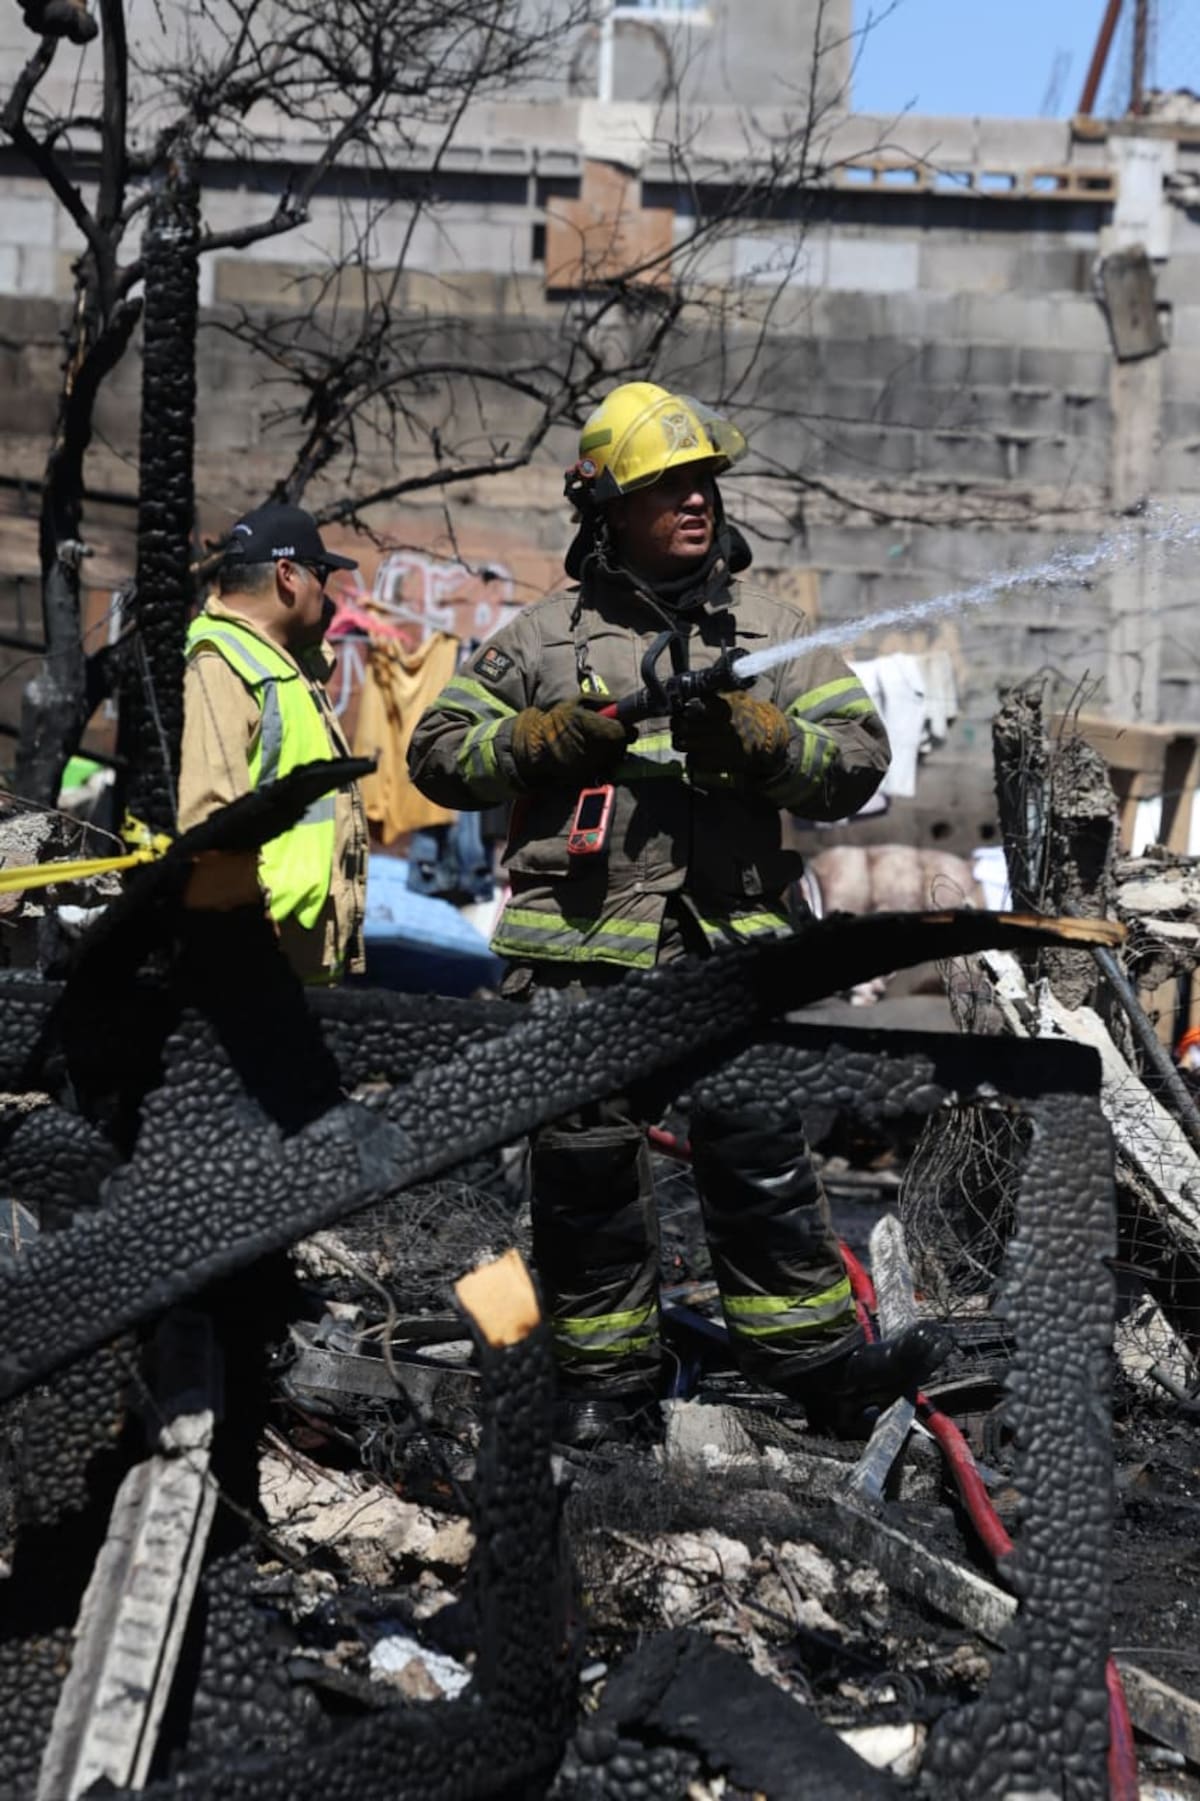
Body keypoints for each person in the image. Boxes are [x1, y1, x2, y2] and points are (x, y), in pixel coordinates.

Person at [408, 382, 948, 1441]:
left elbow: (856, 763)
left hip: (725, 950)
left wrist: (764, 741)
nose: (695, 500)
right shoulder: (543, 640)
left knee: (760, 1157)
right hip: (576, 953)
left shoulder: (775, 634)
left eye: (704, 480)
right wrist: (538, 742)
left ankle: (816, 1365)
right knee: (584, 1173)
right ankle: (606, 1386)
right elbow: (436, 753)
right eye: (667, 486)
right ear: (606, 507)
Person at [178, 501, 368, 985]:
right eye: (320, 576)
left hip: (293, 955)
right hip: (254, 960)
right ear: (288, 574)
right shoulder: (219, 663)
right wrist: (243, 935)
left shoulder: (281, 665)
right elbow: (209, 824)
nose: (326, 595)